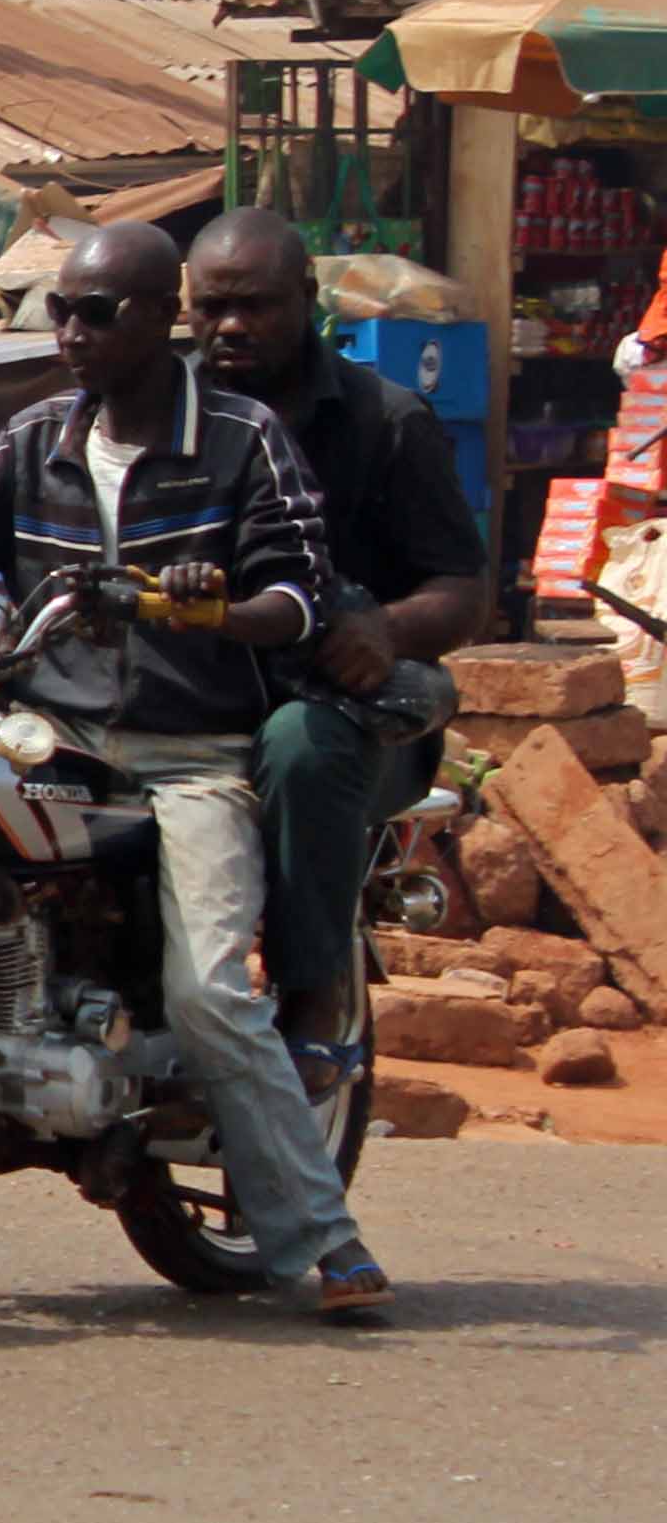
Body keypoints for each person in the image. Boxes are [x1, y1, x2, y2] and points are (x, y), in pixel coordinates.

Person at [0, 215, 384, 1313]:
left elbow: (298, 594)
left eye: (97, 312)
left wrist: (211, 606)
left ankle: (322, 1239)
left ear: (160, 317)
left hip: (192, 755)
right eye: (62, 312)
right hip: (55, 733)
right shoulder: (40, 432)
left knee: (211, 993)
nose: (73, 332)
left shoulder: (242, 438)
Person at [182, 206, 486, 1071]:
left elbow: (466, 591)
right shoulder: (156, 412)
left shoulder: (385, 421)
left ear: (308, 299)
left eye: (256, 305)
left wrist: (384, 628)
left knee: (300, 747)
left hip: (350, 716)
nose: (230, 326)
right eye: (212, 307)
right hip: (187, 702)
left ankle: (311, 1001)